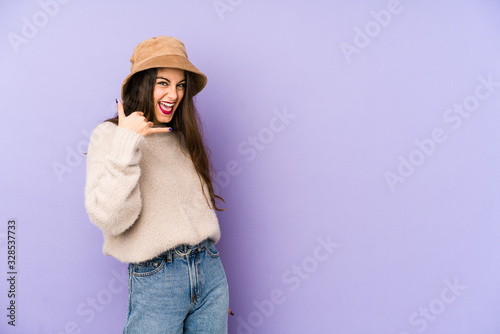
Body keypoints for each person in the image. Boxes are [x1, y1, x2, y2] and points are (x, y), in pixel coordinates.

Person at [84, 36, 229, 333]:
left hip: (209, 270)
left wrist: (206, 282)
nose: (173, 94)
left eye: (180, 85)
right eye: (163, 83)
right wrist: (128, 142)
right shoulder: (110, 136)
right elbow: (111, 219)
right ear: (143, 84)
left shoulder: (182, 138)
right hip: (158, 278)